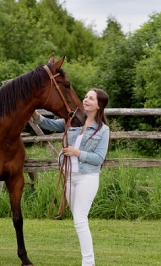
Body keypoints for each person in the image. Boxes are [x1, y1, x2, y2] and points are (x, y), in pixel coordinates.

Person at [32, 88, 110, 266]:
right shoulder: (71, 120)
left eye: (91, 98)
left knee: (80, 219)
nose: (86, 100)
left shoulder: (102, 130)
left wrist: (76, 152)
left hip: (87, 177)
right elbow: (47, 124)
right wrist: (34, 113)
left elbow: (99, 159)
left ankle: (88, 262)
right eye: (86, 97)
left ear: (99, 105)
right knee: (78, 220)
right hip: (69, 177)